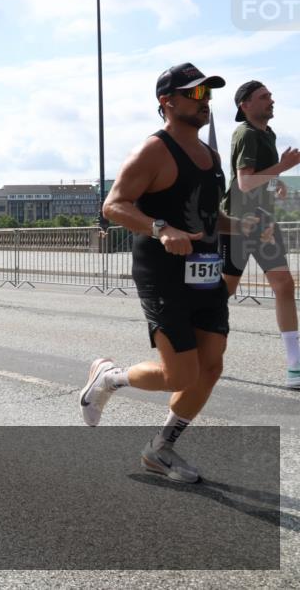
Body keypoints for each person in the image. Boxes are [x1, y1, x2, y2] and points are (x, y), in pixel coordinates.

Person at [82, 62, 254, 483]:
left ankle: (161, 449)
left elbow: (209, 217)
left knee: (210, 367)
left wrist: (242, 225)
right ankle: (109, 377)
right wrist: (161, 228)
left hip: (204, 271)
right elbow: (114, 206)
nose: (205, 101)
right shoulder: (154, 151)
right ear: (168, 101)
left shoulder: (211, 157)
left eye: (208, 94)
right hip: (163, 274)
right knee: (181, 374)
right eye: (196, 94)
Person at [220, 81, 300, 389]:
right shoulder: (247, 134)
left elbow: (259, 180)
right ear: (245, 105)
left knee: (284, 284)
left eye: (270, 95)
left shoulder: (267, 134)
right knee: (224, 292)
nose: (271, 100)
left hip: (264, 222)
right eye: (263, 97)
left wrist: (275, 181)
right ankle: (190, 341)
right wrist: (283, 166)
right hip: (239, 223)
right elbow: (244, 184)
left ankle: (294, 364)